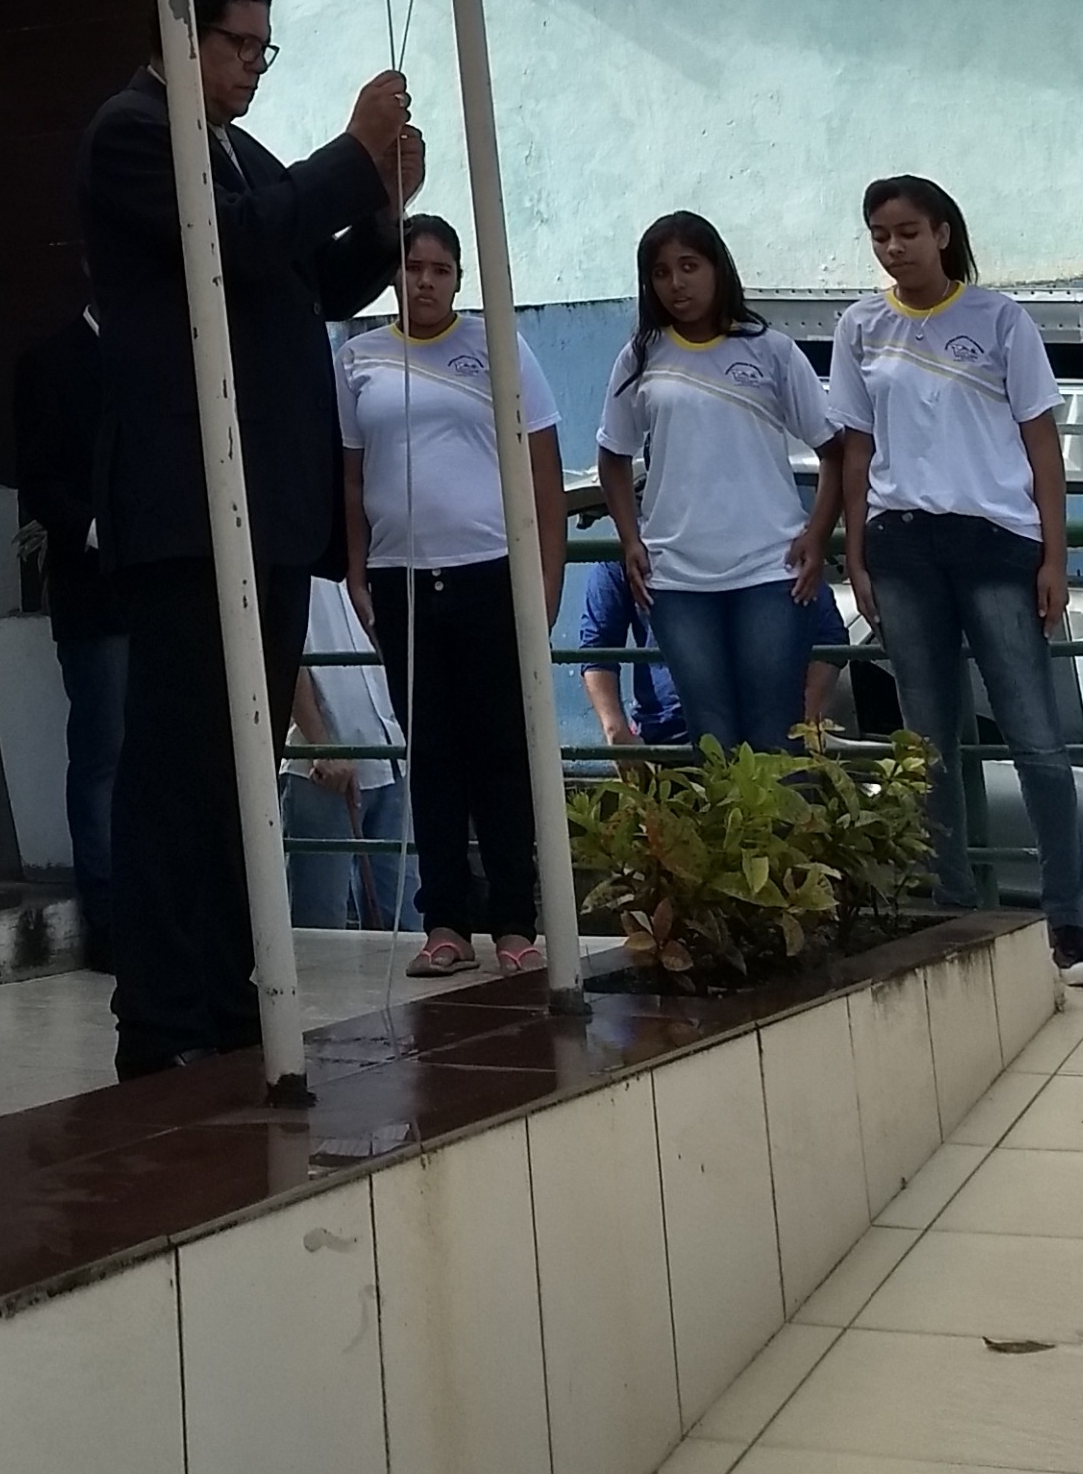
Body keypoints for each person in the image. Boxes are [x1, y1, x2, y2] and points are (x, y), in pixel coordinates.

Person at [81, 0, 420, 1077]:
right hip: (188, 499)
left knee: (243, 765)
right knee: (179, 764)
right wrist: (352, 153)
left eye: (264, 51)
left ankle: (226, 995)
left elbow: (311, 276)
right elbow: (234, 239)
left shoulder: (240, 148)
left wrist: (382, 208)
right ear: (181, 34)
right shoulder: (135, 131)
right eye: (238, 46)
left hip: (262, 499)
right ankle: (162, 1015)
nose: (251, 68)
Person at [831, 174, 1083, 966]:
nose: (893, 247)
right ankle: (953, 910)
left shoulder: (1000, 319)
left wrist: (1054, 556)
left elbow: (1042, 446)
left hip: (997, 546)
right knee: (927, 742)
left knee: (1035, 737)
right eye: (880, 235)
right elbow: (857, 451)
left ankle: (1069, 916)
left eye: (908, 232)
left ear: (942, 233)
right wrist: (857, 555)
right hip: (903, 547)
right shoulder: (860, 327)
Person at [340, 214, 565, 977]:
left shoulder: (499, 348)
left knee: (500, 751)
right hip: (402, 581)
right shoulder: (358, 358)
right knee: (430, 755)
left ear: (460, 278)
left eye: (440, 269)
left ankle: (515, 923)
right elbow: (351, 476)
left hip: (488, 573)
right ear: (393, 276)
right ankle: (444, 923)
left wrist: (546, 581)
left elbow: (542, 468)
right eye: (412, 268)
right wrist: (358, 571)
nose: (425, 282)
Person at [595, 212, 838, 755]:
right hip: (676, 579)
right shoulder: (640, 357)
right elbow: (612, 455)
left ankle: (784, 819)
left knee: (775, 733)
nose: (676, 283)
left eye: (689, 266)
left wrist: (817, 535)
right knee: (711, 735)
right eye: (661, 272)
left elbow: (834, 450)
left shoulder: (770, 349)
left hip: (770, 571)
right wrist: (631, 538)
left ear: (717, 268)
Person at [12, 308, 126, 969]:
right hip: (94, 589)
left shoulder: (167, 351)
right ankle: (106, 915)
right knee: (103, 749)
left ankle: (161, 907)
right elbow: (39, 477)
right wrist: (95, 529)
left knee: (161, 754)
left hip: (165, 589)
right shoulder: (50, 361)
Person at [283, 576, 415, 929]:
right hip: (321, 768)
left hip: (392, 755)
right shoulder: (294, 569)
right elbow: (281, 652)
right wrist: (320, 743)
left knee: (405, 922)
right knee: (319, 922)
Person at [578, 552, 685, 751]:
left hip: (732, 730)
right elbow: (598, 647)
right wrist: (617, 732)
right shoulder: (625, 553)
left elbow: (597, 645)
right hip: (663, 734)